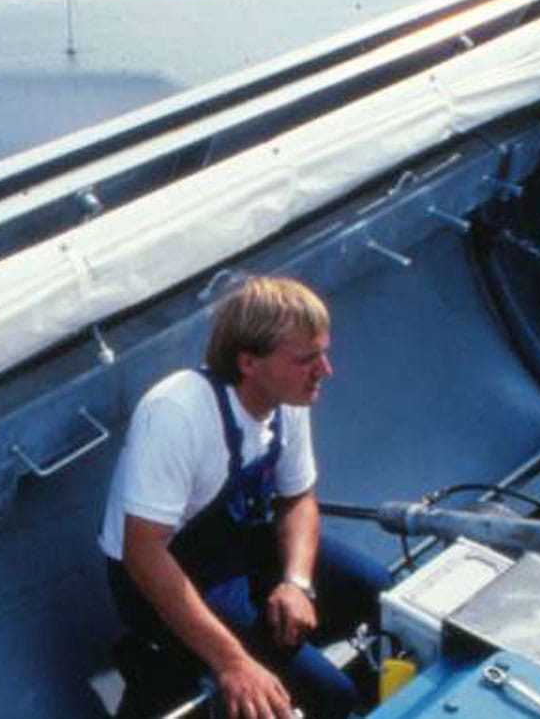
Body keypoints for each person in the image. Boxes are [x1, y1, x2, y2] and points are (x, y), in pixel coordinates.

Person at [98, 276, 388, 719]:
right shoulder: (177, 413)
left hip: (237, 544)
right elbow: (142, 554)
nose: (324, 371)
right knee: (329, 695)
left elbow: (298, 497)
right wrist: (232, 663)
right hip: (168, 571)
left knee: (379, 593)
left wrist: (296, 583)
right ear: (249, 362)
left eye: (323, 354)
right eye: (307, 359)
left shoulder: (288, 396)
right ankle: (176, 662)